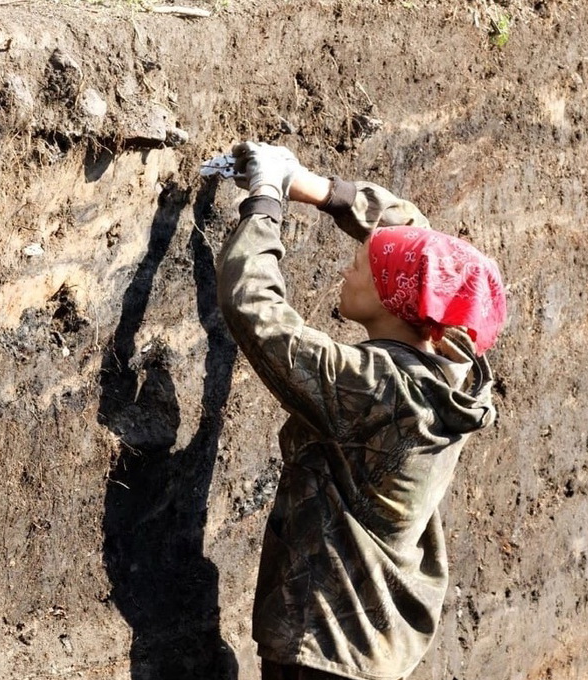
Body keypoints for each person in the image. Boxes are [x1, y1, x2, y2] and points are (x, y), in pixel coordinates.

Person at [214, 141, 507, 680]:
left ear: (396, 301)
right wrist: (312, 187)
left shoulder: (378, 391)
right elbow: (417, 238)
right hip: (378, 642)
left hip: (324, 646)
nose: (350, 269)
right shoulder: (452, 361)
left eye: (366, 267)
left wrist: (265, 202)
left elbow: (255, 310)